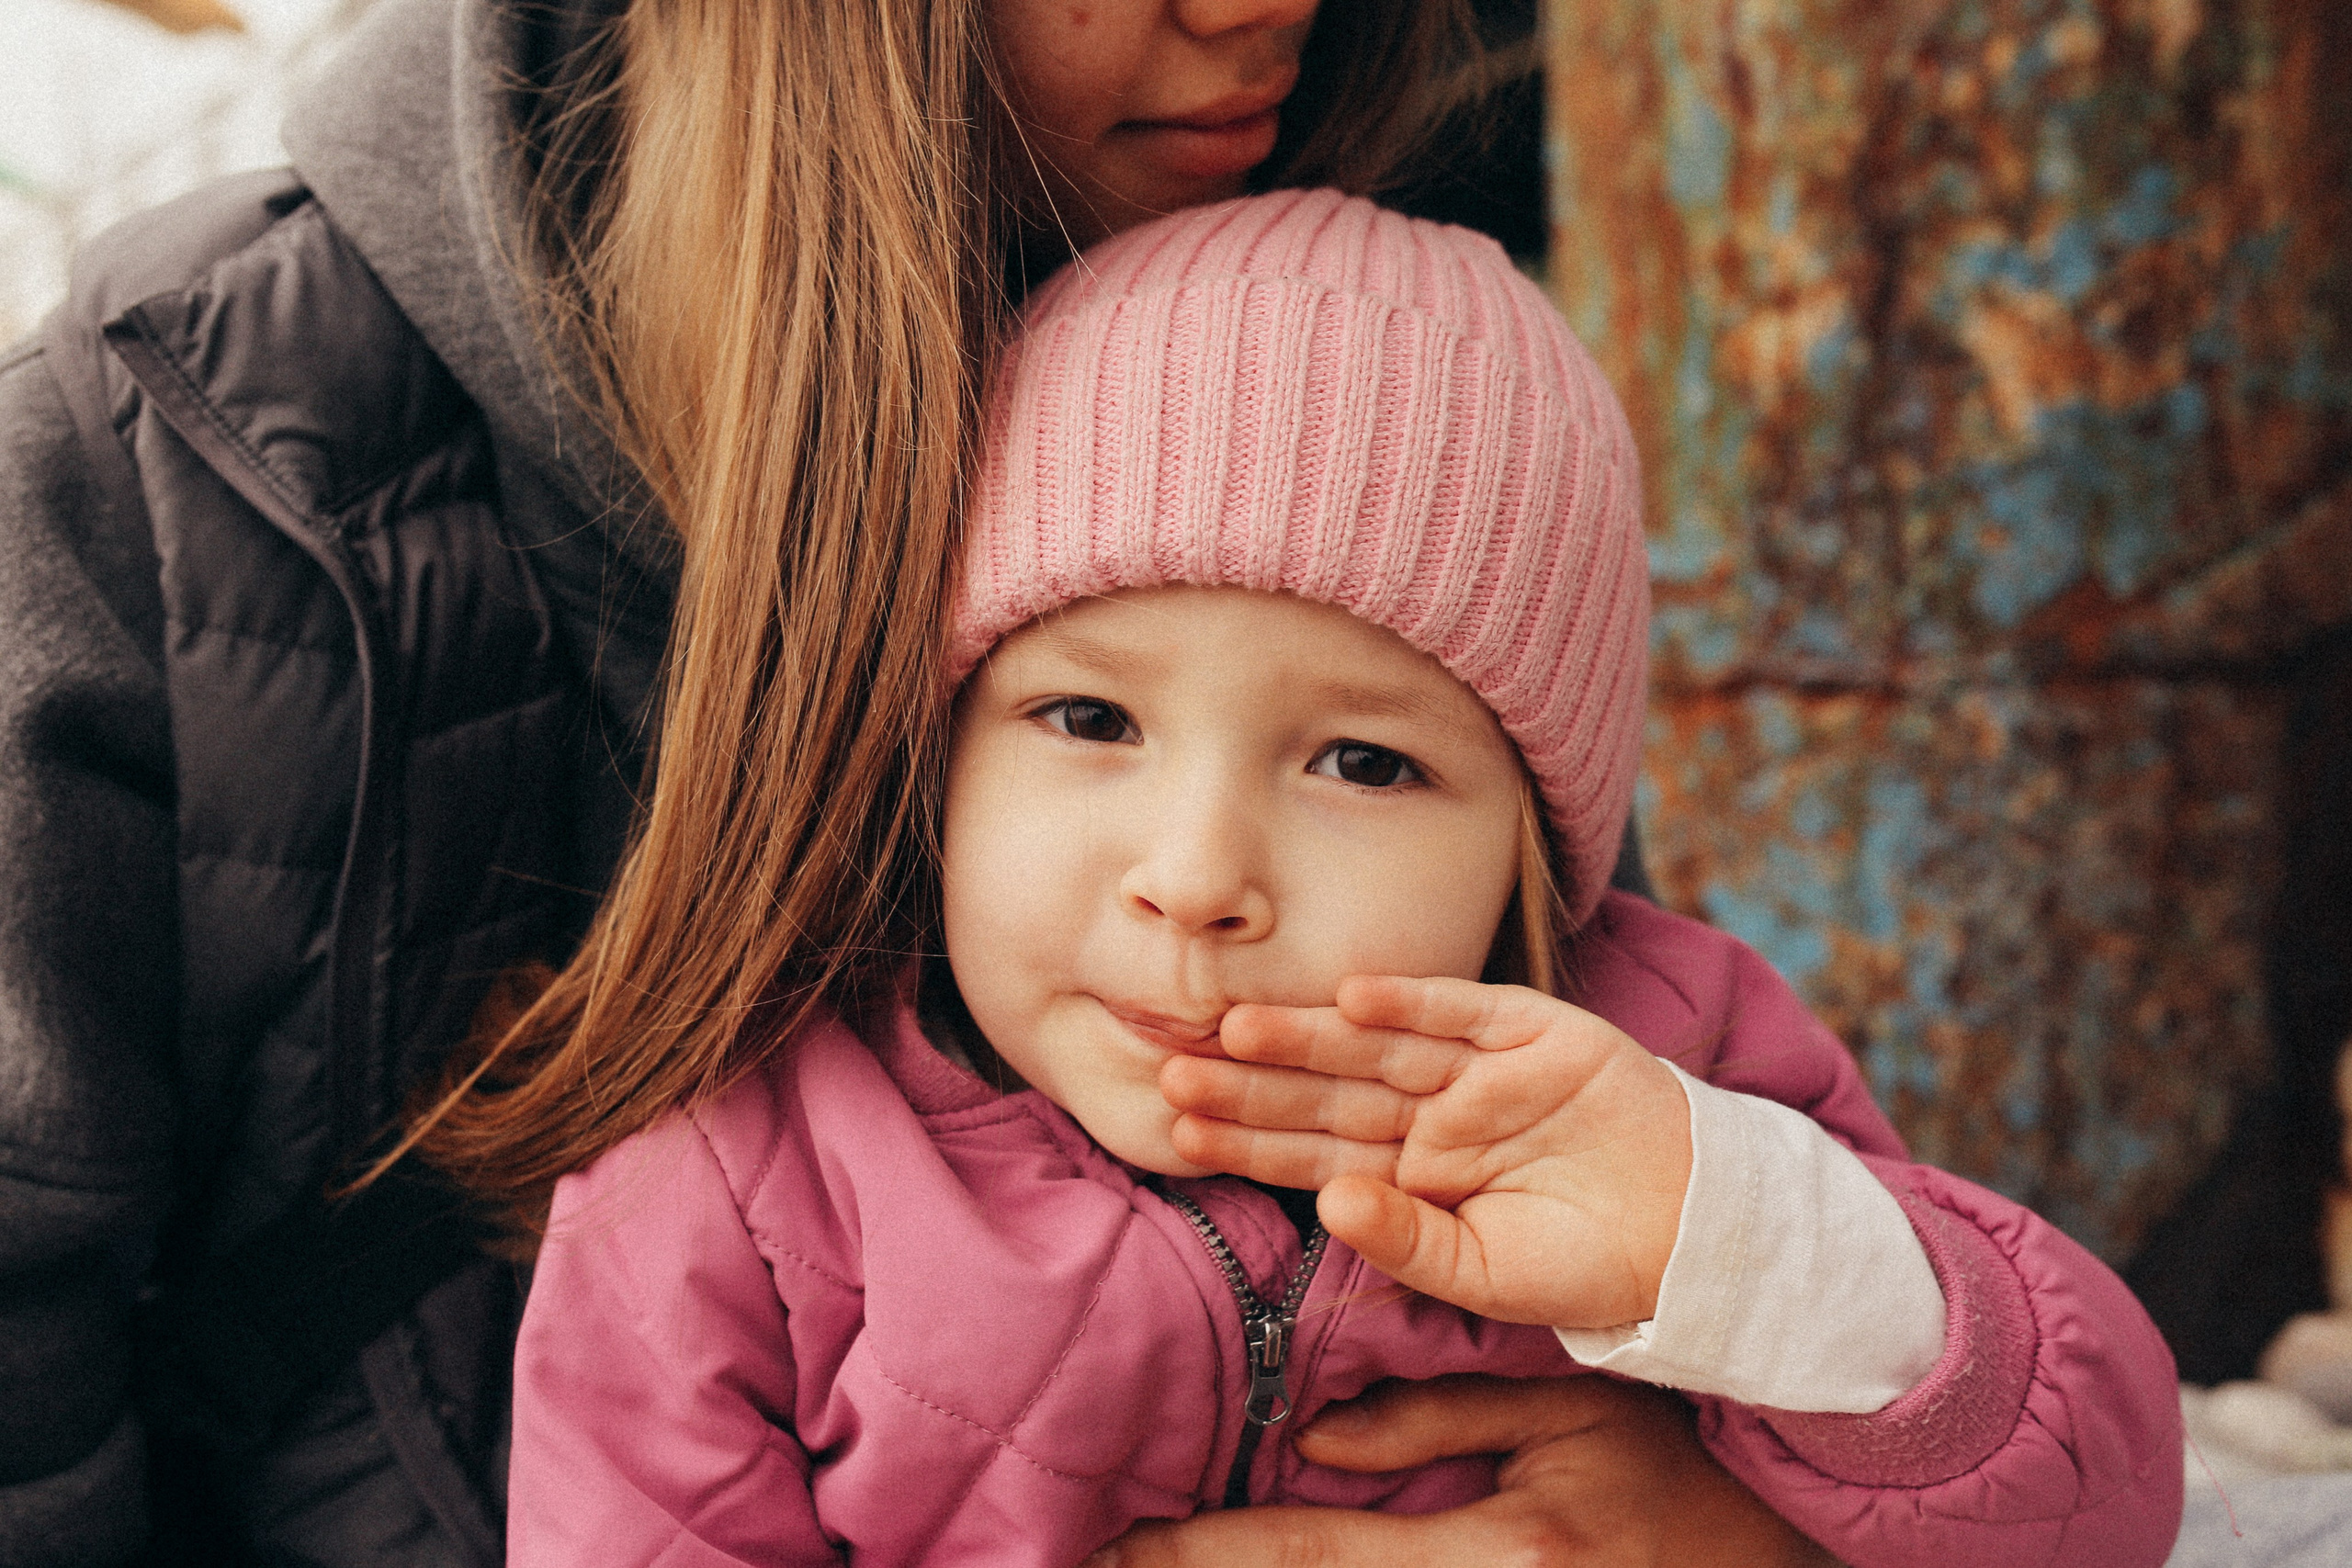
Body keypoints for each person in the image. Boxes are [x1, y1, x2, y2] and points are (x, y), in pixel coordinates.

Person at [0, 1, 1847, 1563]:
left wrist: (1742, 1518)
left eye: (1352, 760)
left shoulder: (1369, 395)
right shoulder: (152, 478)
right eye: (1087, 720)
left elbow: (1676, 1146)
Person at [493, 191, 2186, 1567]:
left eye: (1365, 764)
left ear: (1531, 841)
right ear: (937, 751)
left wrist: (1721, 1235)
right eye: (1089, 717)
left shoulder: (1662, 1063)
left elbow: (2099, 1502)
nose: (1201, 877)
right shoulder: (745, 1172)